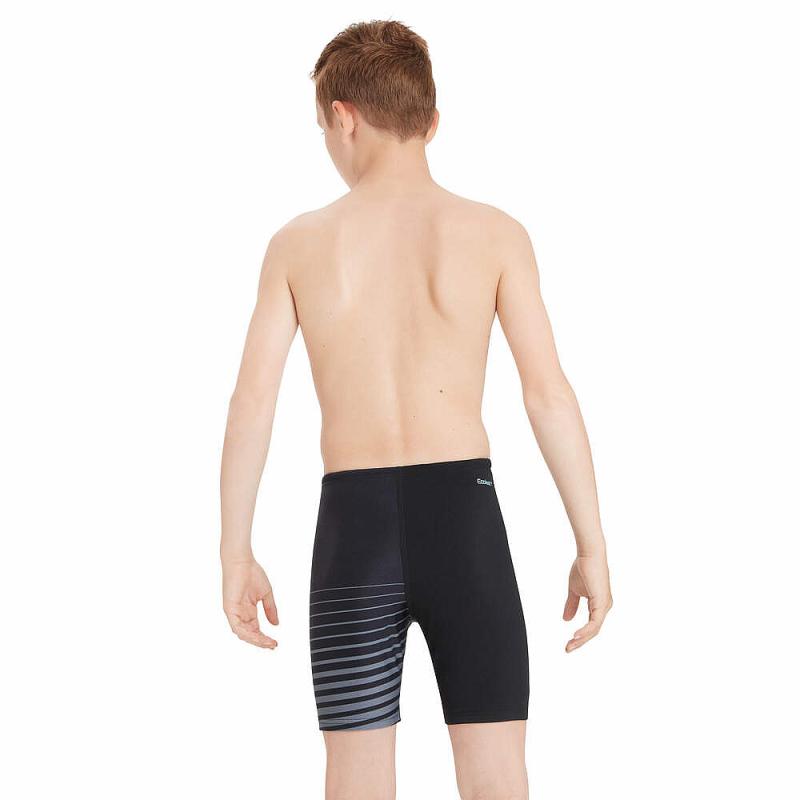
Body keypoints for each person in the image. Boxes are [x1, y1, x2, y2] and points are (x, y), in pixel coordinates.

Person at [220, 19, 612, 800]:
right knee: (497, 776)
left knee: (355, 779)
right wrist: (591, 544)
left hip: (353, 534)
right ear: (431, 122)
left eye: (321, 128)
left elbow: (252, 403)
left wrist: (236, 552)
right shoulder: (495, 234)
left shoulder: (299, 244)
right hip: (466, 523)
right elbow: (549, 394)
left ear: (342, 117)